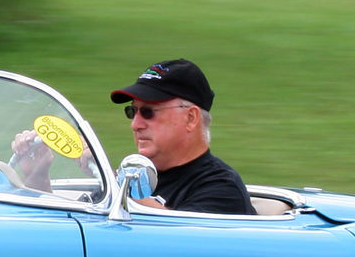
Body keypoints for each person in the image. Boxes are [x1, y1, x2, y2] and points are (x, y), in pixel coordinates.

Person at [108, 59, 253, 215]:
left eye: (148, 112)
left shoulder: (224, 189)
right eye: (132, 111)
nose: (135, 125)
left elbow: (178, 234)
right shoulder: (143, 177)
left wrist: (118, 184)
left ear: (191, 118)